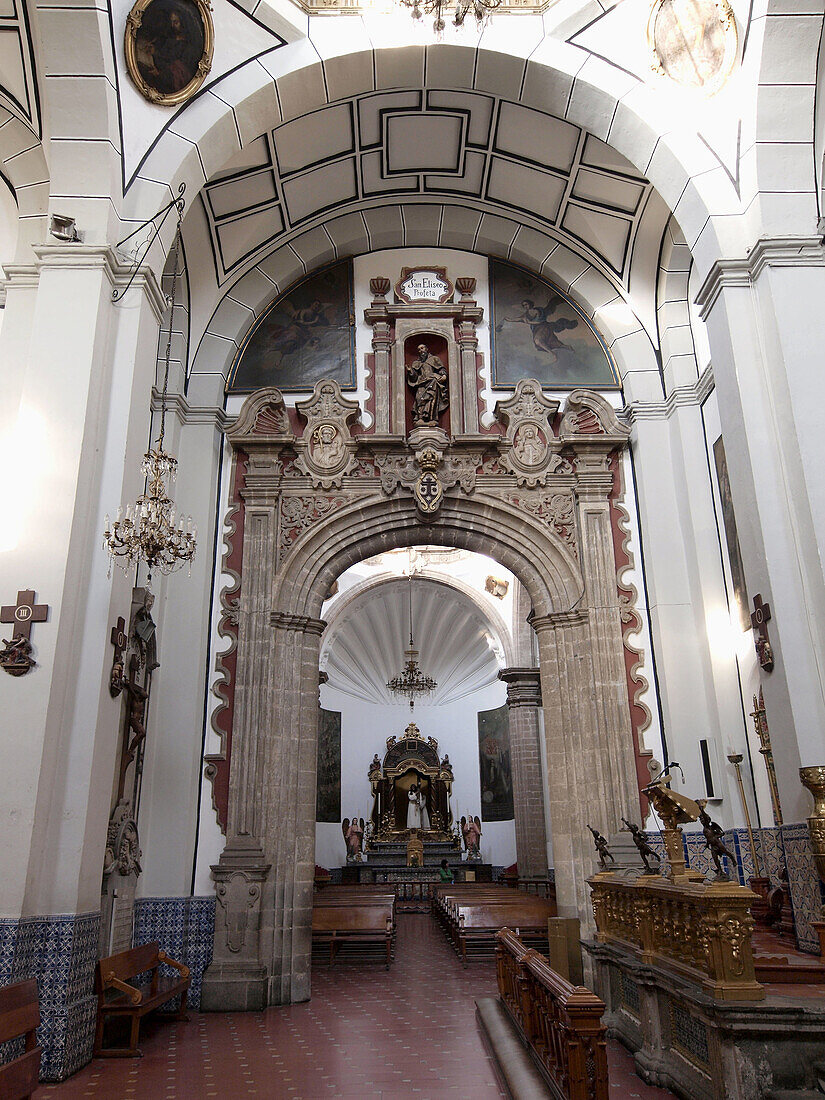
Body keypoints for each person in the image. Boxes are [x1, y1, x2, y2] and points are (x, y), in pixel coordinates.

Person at [407, 343, 449, 425]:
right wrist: (410, 371)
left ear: (426, 349)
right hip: (421, 382)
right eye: (419, 349)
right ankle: (420, 418)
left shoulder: (434, 359)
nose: (420, 350)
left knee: (431, 398)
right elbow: (414, 377)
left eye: (422, 348)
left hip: (432, 381)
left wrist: (444, 375)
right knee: (420, 399)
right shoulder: (417, 363)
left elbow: (441, 369)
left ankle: (432, 418)